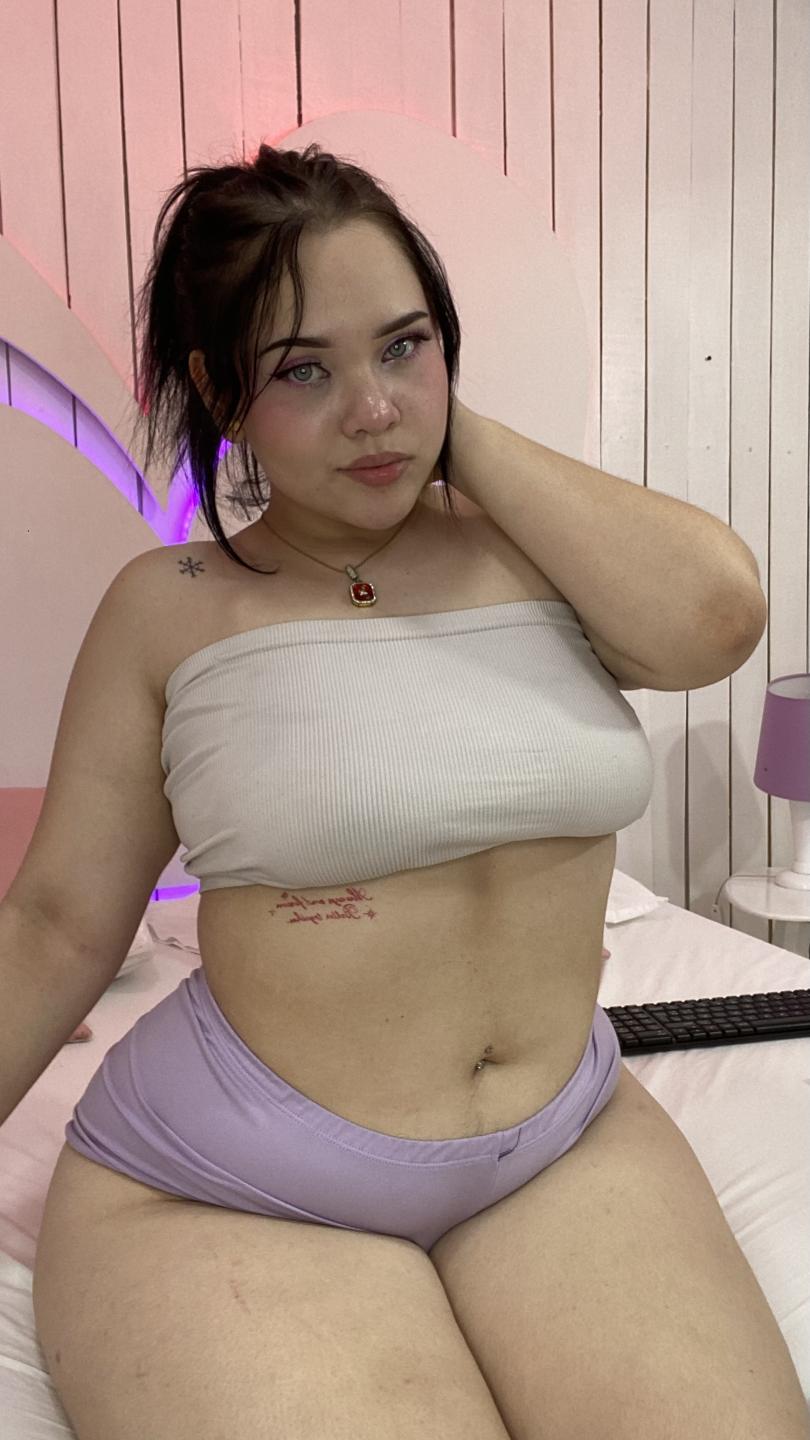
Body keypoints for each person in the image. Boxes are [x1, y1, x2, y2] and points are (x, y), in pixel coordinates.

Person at [29, 144, 801, 1440]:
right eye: (305, 369)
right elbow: (53, 927)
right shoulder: (170, 610)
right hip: (237, 1177)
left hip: (555, 1137)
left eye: (404, 345)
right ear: (221, 391)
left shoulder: (530, 551)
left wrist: (456, 437)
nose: (373, 409)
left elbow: (715, 620)